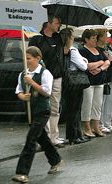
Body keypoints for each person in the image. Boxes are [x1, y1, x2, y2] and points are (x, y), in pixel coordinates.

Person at [12, 46, 64, 183]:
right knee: (43, 139)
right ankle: (56, 160)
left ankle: (22, 172)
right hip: (30, 112)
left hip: (42, 111)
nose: (26, 61)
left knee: (31, 139)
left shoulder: (45, 73)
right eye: (25, 58)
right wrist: (23, 97)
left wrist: (32, 83)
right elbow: (18, 91)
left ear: (38, 58)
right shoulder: (23, 74)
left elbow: (46, 92)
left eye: (29, 58)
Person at [28, 15, 64, 147]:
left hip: (57, 76)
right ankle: (47, 139)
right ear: (48, 23)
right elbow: (31, 57)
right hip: (43, 77)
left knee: (55, 107)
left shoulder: (57, 37)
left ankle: (55, 137)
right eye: (56, 23)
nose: (58, 25)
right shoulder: (37, 39)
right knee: (44, 107)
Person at [60, 28, 89, 145]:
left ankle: (73, 134)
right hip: (75, 82)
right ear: (69, 38)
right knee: (76, 109)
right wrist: (84, 60)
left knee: (70, 109)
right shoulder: (72, 50)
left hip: (66, 81)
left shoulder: (61, 50)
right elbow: (83, 66)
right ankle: (76, 135)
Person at [79, 29, 110, 138]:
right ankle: (86, 128)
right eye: (92, 38)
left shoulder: (98, 50)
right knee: (87, 104)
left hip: (99, 81)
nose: (95, 40)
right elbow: (87, 66)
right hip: (88, 82)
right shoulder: (82, 51)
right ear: (86, 39)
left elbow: (107, 62)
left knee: (97, 105)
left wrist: (100, 68)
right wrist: (100, 62)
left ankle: (96, 126)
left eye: (95, 38)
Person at [96, 29, 112, 134]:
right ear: (100, 37)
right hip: (103, 76)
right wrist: (109, 59)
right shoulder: (97, 49)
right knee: (102, 101)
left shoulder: (107, 47)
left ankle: (107, 123)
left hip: (111, 75)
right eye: (105, 35)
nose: (107, 37)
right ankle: (100, 124)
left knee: (110, 101)